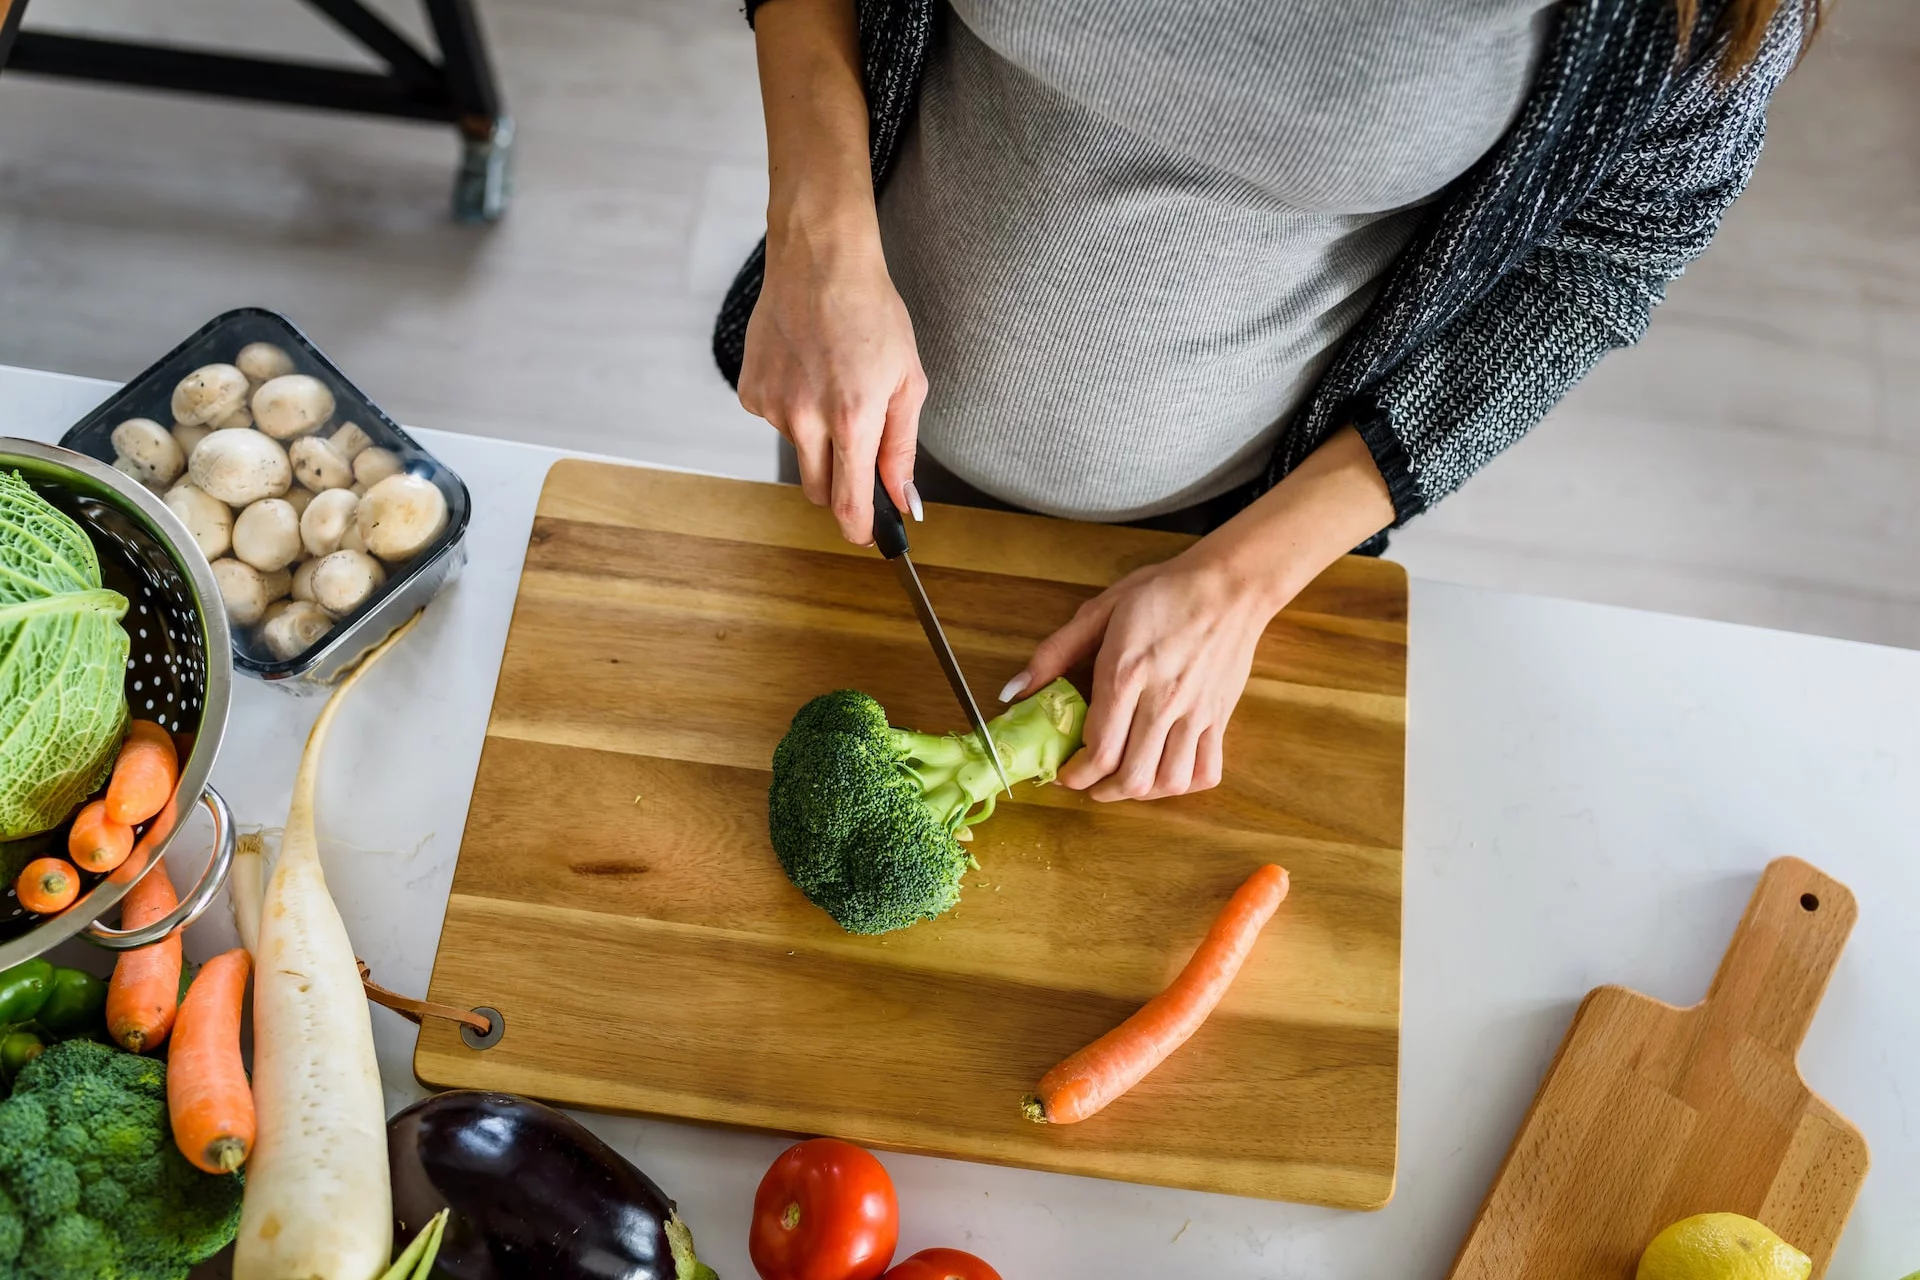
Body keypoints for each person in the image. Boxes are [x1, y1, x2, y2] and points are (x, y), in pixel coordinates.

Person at [715, 0, 1817, 802]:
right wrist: (819, 232)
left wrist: (1242, 581)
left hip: (1236, 536)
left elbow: (1613, 249)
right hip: (863, 441)